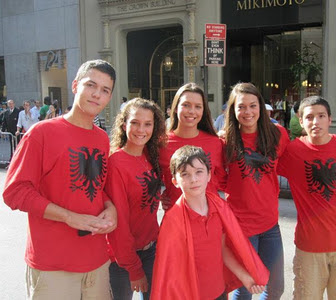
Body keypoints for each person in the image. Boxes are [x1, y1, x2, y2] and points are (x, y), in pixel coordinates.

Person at [3, 59, 118, 299]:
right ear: (75, 85)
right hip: (54, 264)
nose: (97, 94)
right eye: (91, 85)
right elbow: (15, 192)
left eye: (105, 90)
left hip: (96, 259)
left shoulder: (101, 139)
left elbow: (97, 188)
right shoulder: (41, 133)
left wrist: (110, 208)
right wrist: (68, 217)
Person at [277, 96, 336, 299]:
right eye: (309, 117)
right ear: (300, 121)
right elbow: (261, 157)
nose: (315, 122)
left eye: (321, 116)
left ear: (330, 119)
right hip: (309, 247)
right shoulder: (292, 151)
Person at [152, 145, 269, 300]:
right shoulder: (173, 221)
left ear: (209, 175)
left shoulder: (219, 208)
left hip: (218, 292)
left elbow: (222, 249)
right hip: (191, 295)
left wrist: (245, 277)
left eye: (199, 172)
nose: (193, 179)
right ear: (175, 181)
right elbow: (169, 273)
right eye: (185, 174)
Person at [224, 83, 290, 300]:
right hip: (240, 227)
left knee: (275, 288)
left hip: (270, 224)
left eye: (253, 106)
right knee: (243, 288)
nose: (248, 112)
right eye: (241, 107)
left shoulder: (277, 134)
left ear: (261, 107)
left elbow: (293, 165)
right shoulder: (225, 140)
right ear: (233, 110)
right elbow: (213, 178)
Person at [105, 98, 167, 300]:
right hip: (122, 258)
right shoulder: (116, 163)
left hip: (151, 248)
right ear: (124, 126)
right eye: (135, 123)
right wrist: (133, 268)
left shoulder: (151, 155)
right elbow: (119, 222)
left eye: (147, 124)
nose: (141, 129)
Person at [159, 82, 225, 210]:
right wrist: (162, 195)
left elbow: (223, 180)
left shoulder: (215, 142)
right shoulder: (161, 144)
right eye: (186, 105)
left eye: (198, 106)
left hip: (210, 218)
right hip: (176, 220)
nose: (192, 111)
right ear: (176, 108)